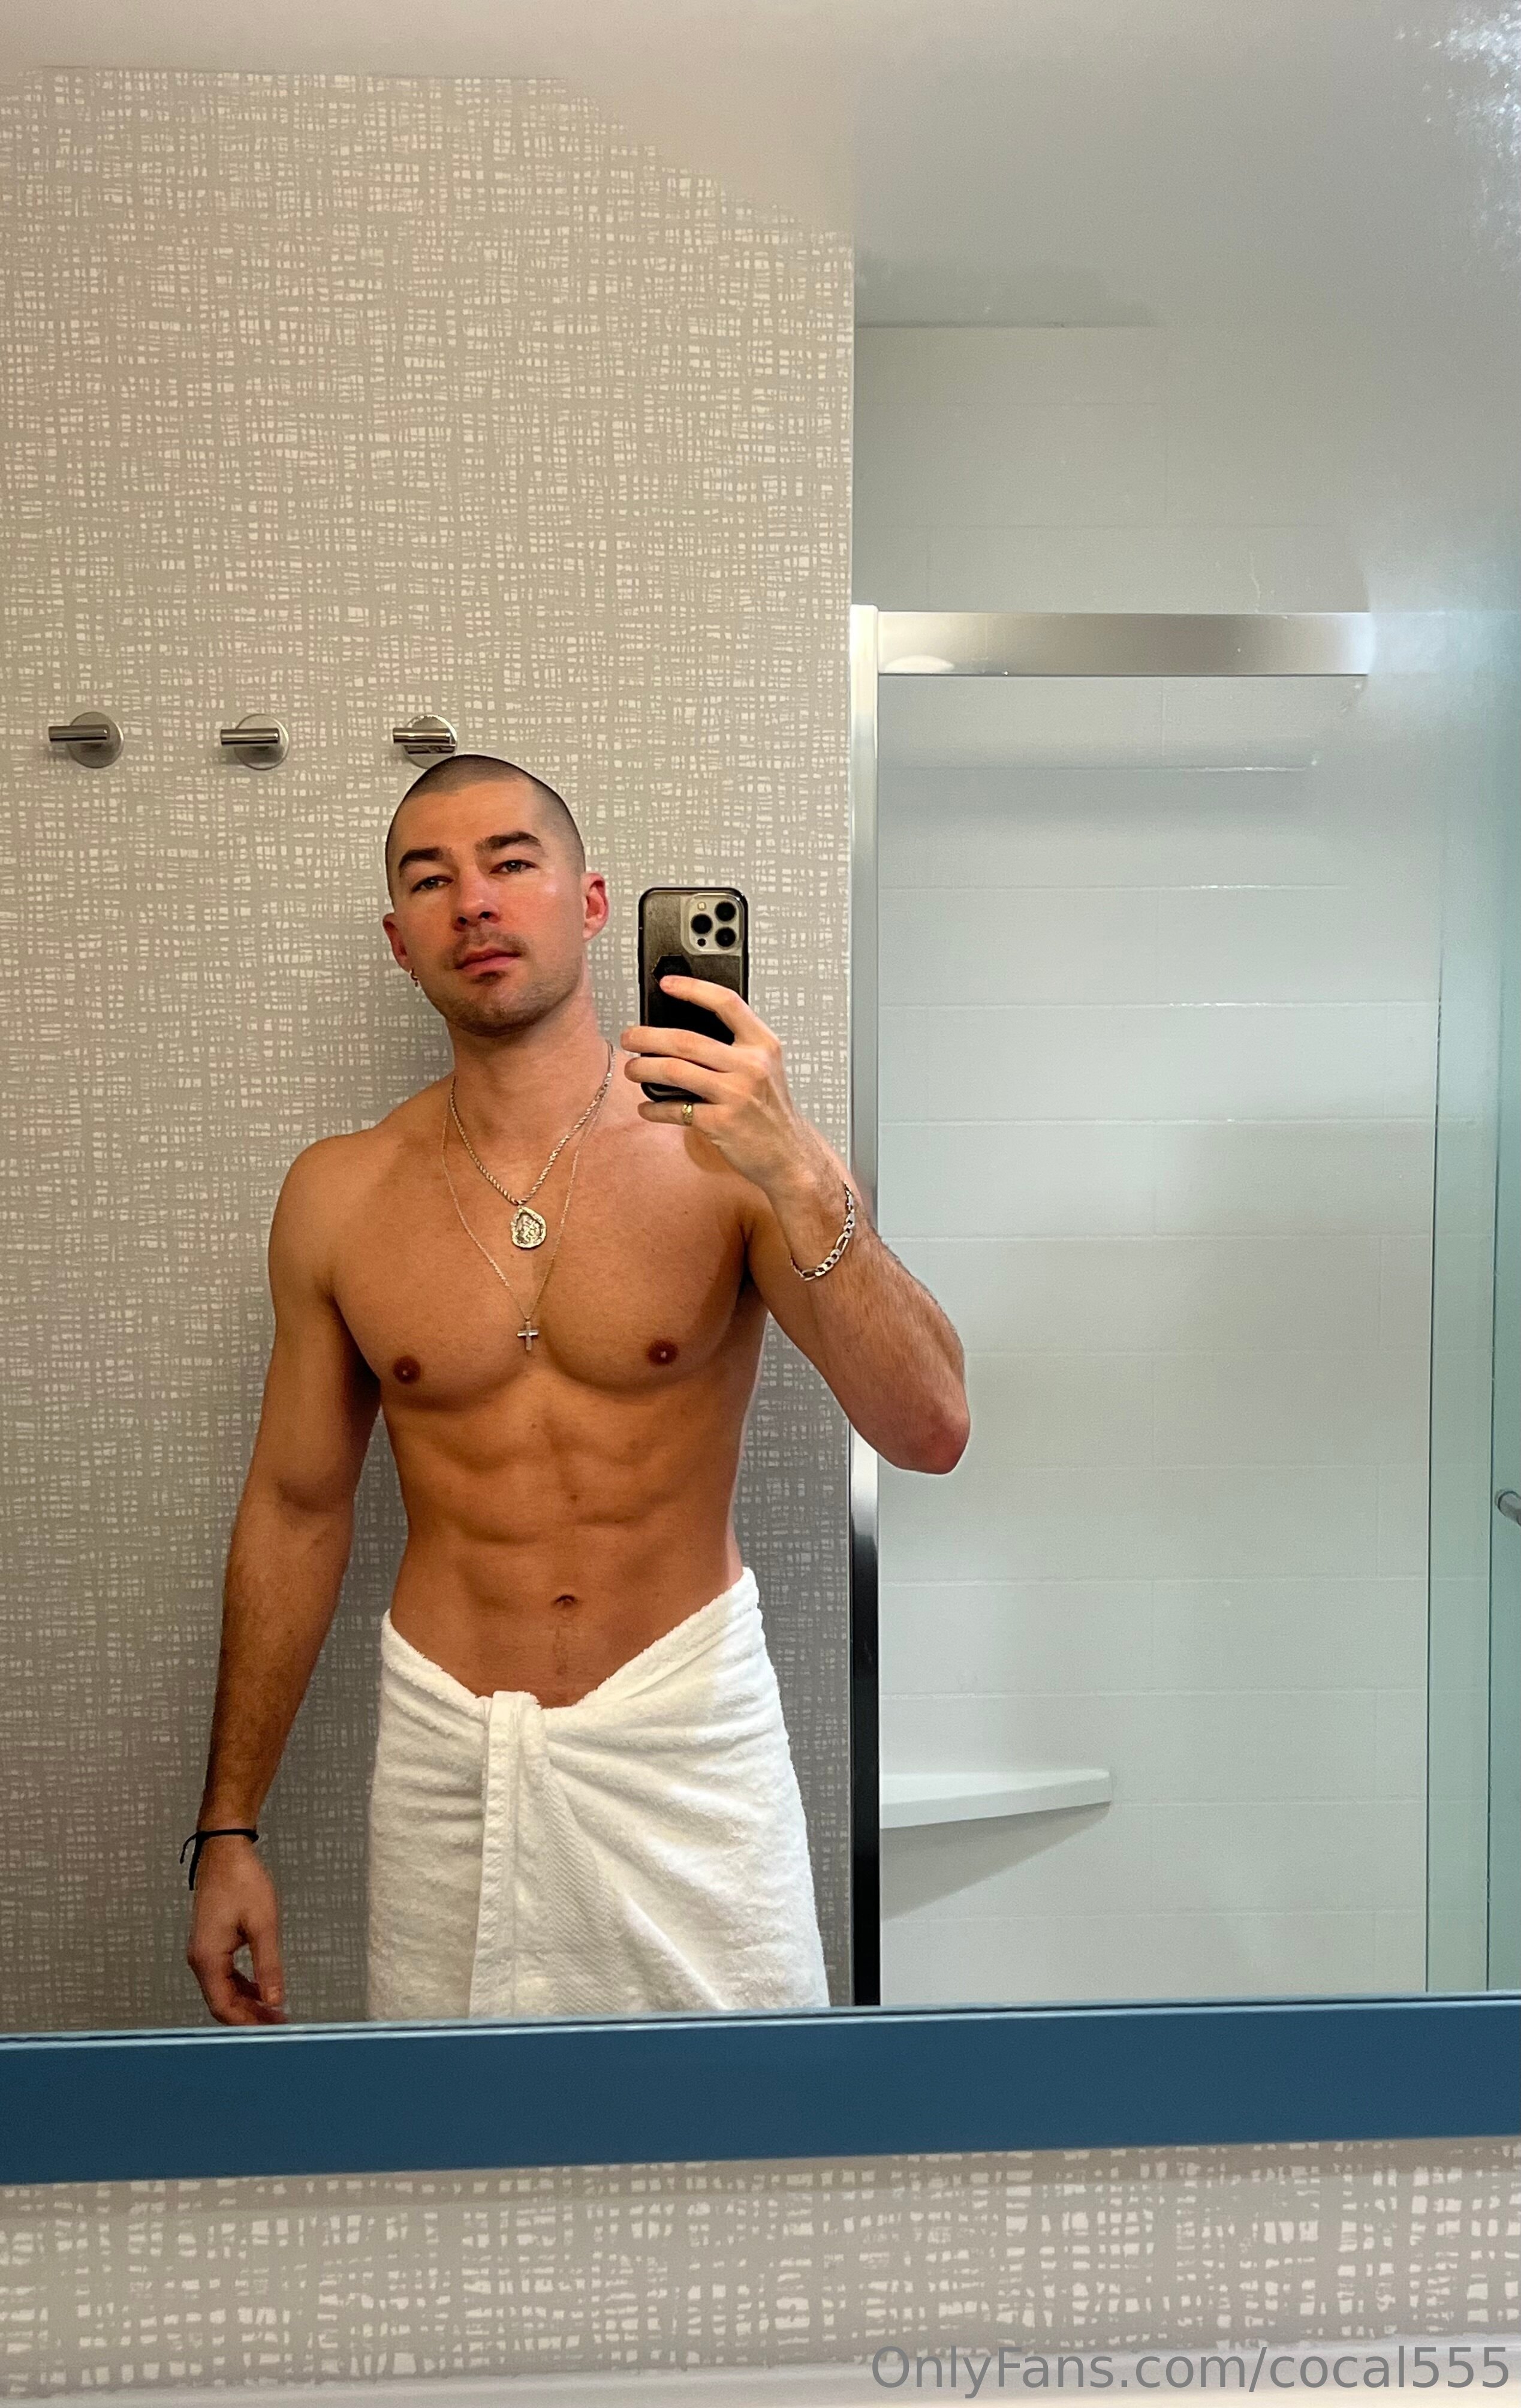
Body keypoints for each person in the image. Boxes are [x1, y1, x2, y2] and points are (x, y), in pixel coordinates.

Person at [185, 755, 969, 2027]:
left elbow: (929, 1428)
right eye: (430, 881)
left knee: (743, 2118)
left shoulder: (735, 1157)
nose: (474, 902)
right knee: (458, 2126)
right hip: (450, 1752)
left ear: (593, 903)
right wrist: (228, 1825)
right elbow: (295, 1509)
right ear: (399, 940)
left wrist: (800, 1173)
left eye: (511, 862)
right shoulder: (341, 1193)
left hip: (687, 1733)